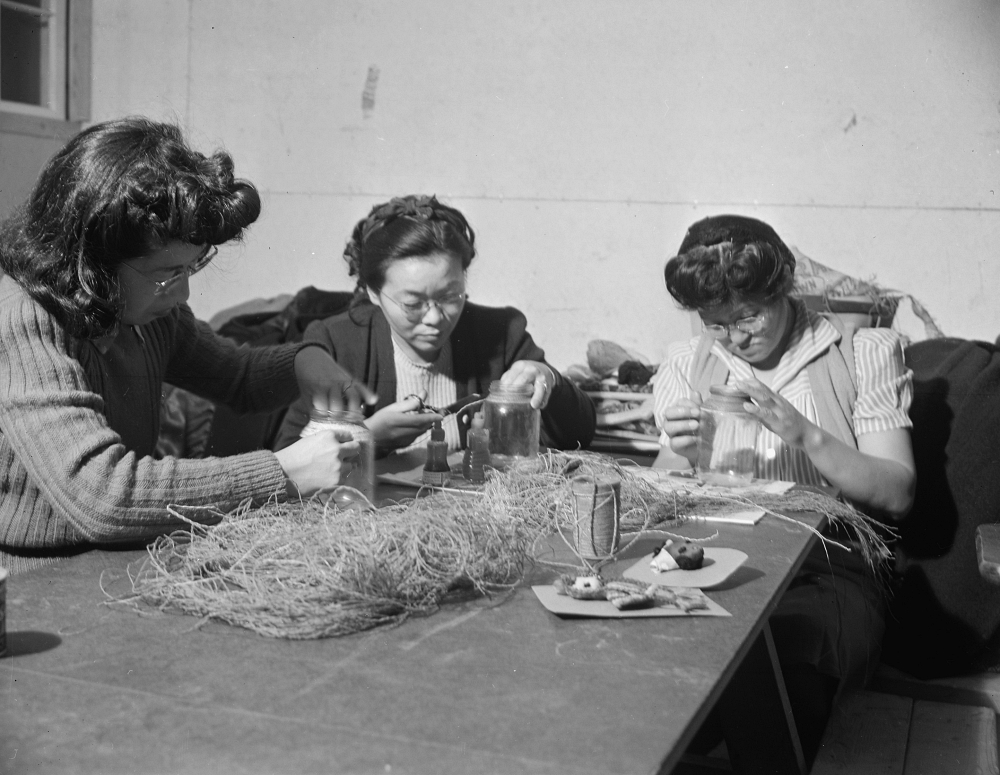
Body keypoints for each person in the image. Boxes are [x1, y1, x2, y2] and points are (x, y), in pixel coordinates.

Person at [0, 117, 369, 572]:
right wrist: (284, 473)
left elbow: (238, 376)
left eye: (190, 270)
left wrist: (304, 361)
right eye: (167, 274)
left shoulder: (143, 312)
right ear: (90, 259)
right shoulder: (24, 319)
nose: (183, 295)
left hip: (118, 559)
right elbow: (104, 495)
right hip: (34, 581)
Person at [651, 214, 916, 770]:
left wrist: (806, 435)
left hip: (828, 567)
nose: (736, 338)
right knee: (650, 642)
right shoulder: (687, 362)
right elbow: (663, 493)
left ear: (783, 287)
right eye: (716, 323)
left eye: (748, 315)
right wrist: (682, 452)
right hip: (713, 556)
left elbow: (897, 493)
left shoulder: (858, 351)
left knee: (784, 651)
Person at [274, 195, 596, 455]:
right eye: (413, 304)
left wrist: (549, 379)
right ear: (373, 292)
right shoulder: (335, 344)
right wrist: (369, 436)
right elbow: (290, 456)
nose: (434, 318)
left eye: (451, 295)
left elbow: (579, 434)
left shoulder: (501, 333)